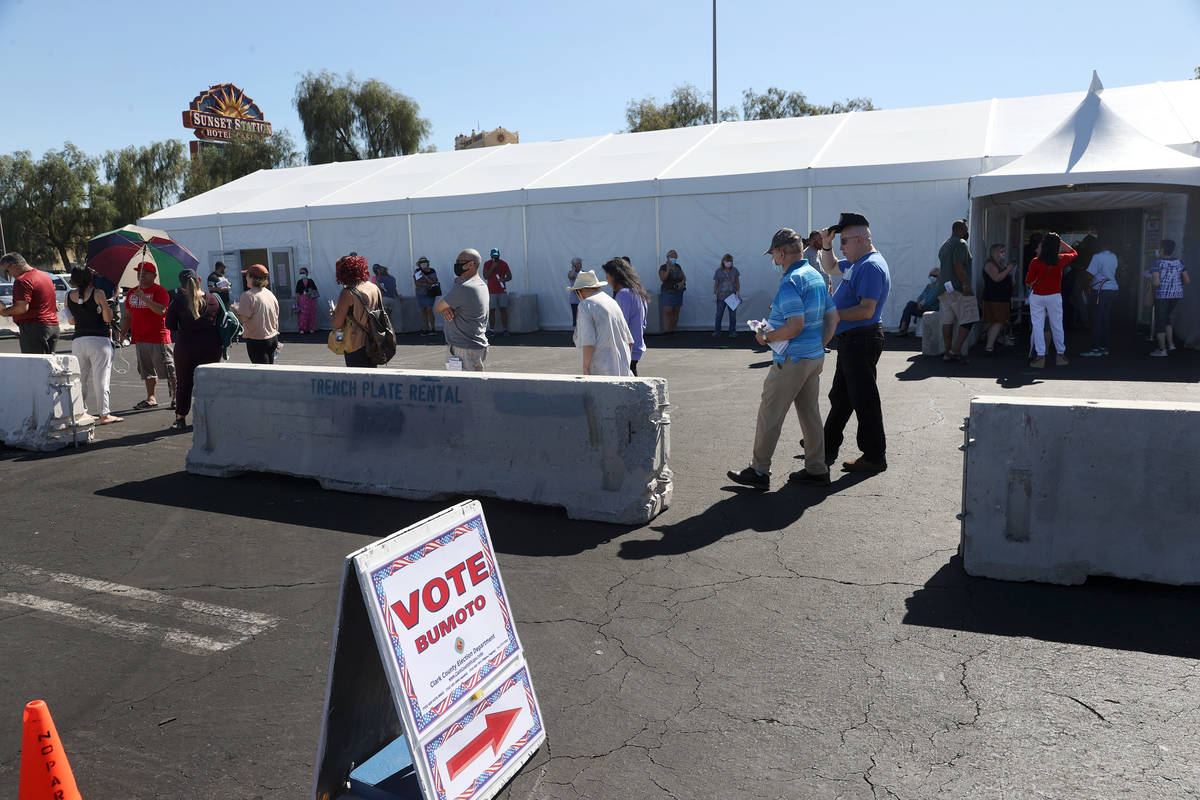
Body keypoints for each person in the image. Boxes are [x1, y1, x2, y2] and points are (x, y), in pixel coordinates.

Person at [727, 228, 839, 491]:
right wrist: (818, 346)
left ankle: (759, 470)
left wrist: (765, 337)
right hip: (812, 358)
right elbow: (832, 318)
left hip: (791, 359)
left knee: (770, 413)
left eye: (774, 254)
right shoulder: (815, 275)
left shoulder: (791, 281)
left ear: (780, 252)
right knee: (810, 414)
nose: (774, 259)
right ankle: (817, 468)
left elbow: (795, 325)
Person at [818, 212, 891, 473]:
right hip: (854, 339)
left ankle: (873, 456)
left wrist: (832, 315)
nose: (841, 246)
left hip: (861, 338)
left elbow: (866, 310)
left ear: (860, 239)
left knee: (862, 399)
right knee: (843, 397)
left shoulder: (870, 265)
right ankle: (825, 449)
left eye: (844, 241)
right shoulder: (859, 262)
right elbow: (830, 266)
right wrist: (826, 245)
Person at [165, 269, 221, 431]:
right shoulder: (213, 300)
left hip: (186, 348)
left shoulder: (177, 302)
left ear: (181, 286)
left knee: (184, 383)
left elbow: (170, 325)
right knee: (209, 383)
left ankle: (180, 418)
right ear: (199, 280)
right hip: (211, 347)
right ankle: (210, 415)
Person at [64, 265, 121, 425]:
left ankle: (79, 412)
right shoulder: (98, 293)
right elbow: (107, 319)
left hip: (78, 341)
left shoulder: (68, 296)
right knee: (101, 378)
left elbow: (71, 320)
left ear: (73, 280)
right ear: (90, 279)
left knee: (80, 378)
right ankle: (104, 414)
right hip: (99, 340)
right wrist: (106, 306)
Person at [122, 261, 176, 409]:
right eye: (139, 272)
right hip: (140, 337)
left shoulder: (160, 291)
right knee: (146, 370)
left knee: (168, 369)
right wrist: (123, 332)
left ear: (154, 276)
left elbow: (161, 310)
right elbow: (128, 315)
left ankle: (177, 397)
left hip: (158, 337)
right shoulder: (132, 292)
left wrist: (144, 298)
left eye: (145, 273)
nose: (141, 275)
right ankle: (151, 398)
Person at [1024, 233, 1077, 368]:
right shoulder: (1060, 259)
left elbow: (1028, 281)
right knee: (1057, 325)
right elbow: (1074, 252)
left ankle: (1040, 356)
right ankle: (1060, 355)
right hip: (1054, 296)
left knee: (1038, 326)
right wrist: (1061, 242)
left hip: (1037, 296)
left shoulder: (1035, 261)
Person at [569, 270, 633, 376]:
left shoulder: (586, 305)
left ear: (580, 291)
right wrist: (625, 366)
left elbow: (588, 341)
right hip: (623, 371)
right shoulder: (612, 302)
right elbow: (629, 341)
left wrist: (586, 368)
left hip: (602, 372)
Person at [435, 249, 490, 371]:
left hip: (463, 350)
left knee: (462, 388)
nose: (456, 264)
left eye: (460, 261)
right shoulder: (481, 285)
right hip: (476, 347)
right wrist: (447, 309)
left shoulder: (464, 287)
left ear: (470, 264)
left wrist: (445, 308)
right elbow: (446, 307)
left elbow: (438, 307)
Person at [331, 254, 385, 368]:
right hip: (374, 339)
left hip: (355, 343)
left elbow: (337, 324)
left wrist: (335, 313)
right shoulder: (374, 287)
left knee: (358, 380)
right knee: (372, 378)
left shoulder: (347, 293)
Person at [0, 252, 60, 353]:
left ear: (14, 265)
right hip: (53, 325)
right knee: (49, 365)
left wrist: (3, 312)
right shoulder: (45, 276)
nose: (9, 274)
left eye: (7, 270)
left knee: (34, 365)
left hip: (34, 327)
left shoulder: (22, 280)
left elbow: (21, 308)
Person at [938, 219, 978, 363]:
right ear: (961, 230)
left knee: (948, 321)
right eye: (965, 230)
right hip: (957, 288)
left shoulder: (945, 244)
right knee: (970, 318)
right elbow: (958, 266)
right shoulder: (961, 244)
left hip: (943, 289)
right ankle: (955, 351)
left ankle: (947, 352)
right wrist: (966, 285)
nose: (967, 233)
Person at [602, 257, 649, 375]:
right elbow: (643, 323)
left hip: (626, 351)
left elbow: (619, 326)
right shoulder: (638, 292)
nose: (608, 282)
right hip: (636, 348)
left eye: (608, 277)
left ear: (615, 276)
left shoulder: (623, 294)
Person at [1149, 239, 1190, 357]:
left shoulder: (1157, 264)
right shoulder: (1179, 262)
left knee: (1160, 321)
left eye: (1158, 247)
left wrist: (1149, 277)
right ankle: (1171, 344)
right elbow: (1187, 280)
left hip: (1162, 295)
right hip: (1176, 295)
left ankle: (1162, 350)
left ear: (1161, 250)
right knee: (1167, 318)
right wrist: (1175, 285)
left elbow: (1156, 283)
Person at [1080, 238, 1119, 357]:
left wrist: (1084, 286)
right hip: (1112, 288)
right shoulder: (1114, 256)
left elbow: (1090, 273)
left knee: (1096, 318)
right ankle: (1104, 346)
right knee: (1105, 318)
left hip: (1100, 289)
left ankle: (1096, 348)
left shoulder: (1097, 257)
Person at [235, 264, 280, 365]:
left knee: (263, 374)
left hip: (257, 340)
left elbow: (243, 319)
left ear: (252, 278)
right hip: (272, 338)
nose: (245, 277)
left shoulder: (248, 296)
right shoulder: (269, 293)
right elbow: (276, 315)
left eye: (247, 275)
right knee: (270, 370)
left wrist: (234, 311)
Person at [981, 244, 1015, 354]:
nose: (1003, 254)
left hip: (1002, 298)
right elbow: (996, 278)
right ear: (995, 252)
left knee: (1001, 321)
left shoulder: (999, 265)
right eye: (1001, 251)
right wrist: (1008, 269)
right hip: (994, 298)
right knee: (997, 321)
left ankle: (995, 342)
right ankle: (989, 347)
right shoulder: (990, 264)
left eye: (1004, 251)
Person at [896, 269, 941, 336]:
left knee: (909, 307)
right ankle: (903, 328)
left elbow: (931, 301)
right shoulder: (928, 286)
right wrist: (918, 303)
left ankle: (903, 328)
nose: (932, 277)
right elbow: (920, 297)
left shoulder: (938, 288)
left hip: (931, 310)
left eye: (934, 276)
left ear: (939, 277)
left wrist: (920, 304)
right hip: (923, 307)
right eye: (931, 275)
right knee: (910, 304)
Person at [482, 247, 512, 336]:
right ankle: (491, 330)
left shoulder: (504, 264)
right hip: (491, 291)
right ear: (490, 256)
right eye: (493, 256)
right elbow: (485, 276)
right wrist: (492, 268)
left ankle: (505, 329)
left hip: (502, 291)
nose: (495, 257)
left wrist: (504, 279)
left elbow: (510, 276)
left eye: (496, 255)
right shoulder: (487, 264)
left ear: (499, 255)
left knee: (503, 310)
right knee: (492, 311)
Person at [658, 249, 686, 334]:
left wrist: (681, 283)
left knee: (676, 311)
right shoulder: (663, 267)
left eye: (675, 257)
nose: (673, 258)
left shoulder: (678, 266)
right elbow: (663, 279)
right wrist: (668, 269)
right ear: (668, 257)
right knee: (668, 311)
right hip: (668, 291)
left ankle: (673, 329)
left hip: (678, 292)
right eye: (672, 257)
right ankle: (667, 330)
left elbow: (684, 278)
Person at [712, 253, 741, 337]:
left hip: (732, 296)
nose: (728, 263)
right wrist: (715, 294)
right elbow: (716, 283)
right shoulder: (718, 271)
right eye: (727, 261)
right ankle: (717, 331)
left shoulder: (735, 270)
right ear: (723, 262)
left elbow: (737, 282)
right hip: (721, 297)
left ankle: (732, 331)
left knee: (732, 315)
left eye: (730, 261)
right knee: (719, 314)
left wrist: (738, 293)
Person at [412, 257, 440, 335]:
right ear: (419, 264)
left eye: (425, 262)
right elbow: (416, 283)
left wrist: (425, 276)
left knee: (429, 310)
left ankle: (433, 329)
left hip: (430, 293)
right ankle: (427, 329)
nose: (423, 264)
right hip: (420, 294)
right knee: (423, 311)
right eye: (422, 263)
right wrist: (426, 284)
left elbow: (434, 281)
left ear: (427, 263)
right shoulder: (417, 271)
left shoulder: (432, 270)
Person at [295, 267, 320, 334]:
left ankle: (311, 328)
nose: (302, 274)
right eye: (300, 273)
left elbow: (315, 290)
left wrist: (310, 293)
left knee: (311, 314)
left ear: (307, 273)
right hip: (302, 300)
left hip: (311, 300)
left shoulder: (311, 281)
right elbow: (297, 292)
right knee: (302, 315)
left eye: (303, 272)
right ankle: (302, 329)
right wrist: (296, 301)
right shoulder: (299, 282)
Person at [567, 257, 583, 327]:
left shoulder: (583, 273)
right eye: (579, 263)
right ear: (574, 265)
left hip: (582, 299)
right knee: (576, 319)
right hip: (574, 300)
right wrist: (573, 269)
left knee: (583, 318)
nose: (581, 265)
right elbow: (571, 276)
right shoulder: (571, 273)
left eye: (581, 263)